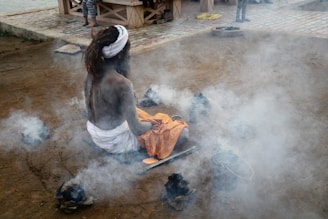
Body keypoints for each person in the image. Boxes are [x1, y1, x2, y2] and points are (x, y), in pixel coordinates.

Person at [83, 25, 189, 160]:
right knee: (182, 133)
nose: (128, 56)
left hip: (96, 135)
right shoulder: (122, 84)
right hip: (118, 142)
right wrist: (152, 125)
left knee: (139, 113)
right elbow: (137, 129)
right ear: (120, 54)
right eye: (127, 52)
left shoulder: (90, 73)